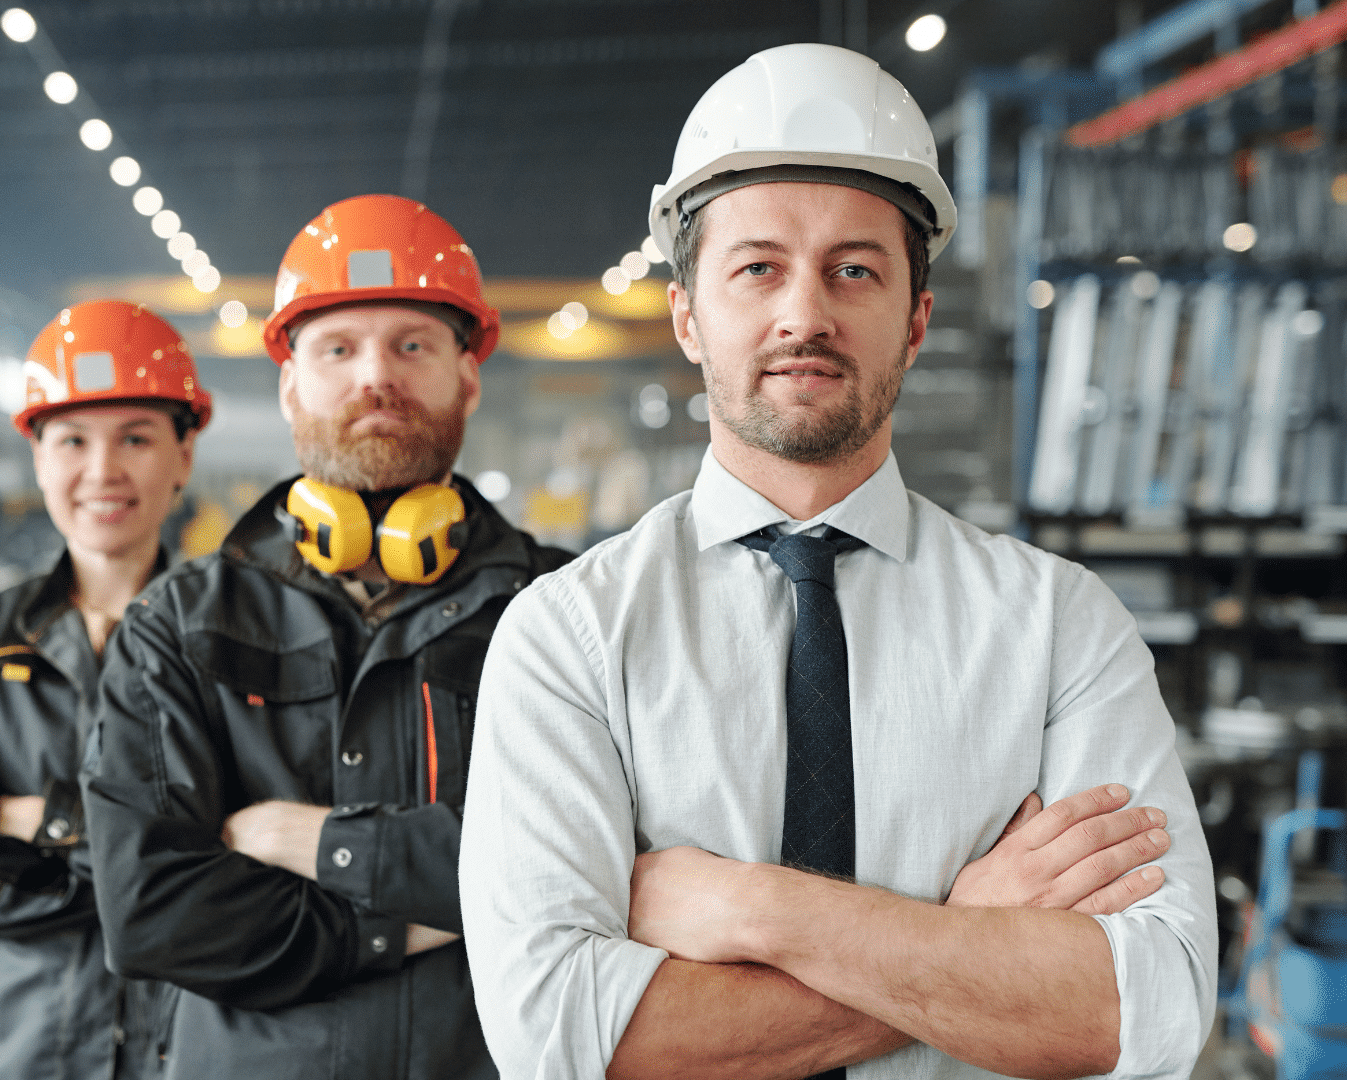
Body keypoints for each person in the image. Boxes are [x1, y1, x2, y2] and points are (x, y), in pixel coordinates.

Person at [459, 43, 1216, 1080]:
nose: (802, 315)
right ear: (687, 316)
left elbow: (1146, 1010)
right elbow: (557, 1037)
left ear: (913, 321)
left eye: (852, 269)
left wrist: (752, 909)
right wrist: (966, 935)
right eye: (756, 266)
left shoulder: (1057, 628)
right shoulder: (571, 637)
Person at [80, 194, 571, 1080]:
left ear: (468, 374)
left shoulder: (566, 608)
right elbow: (152, 910)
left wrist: (304, 841)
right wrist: (417, 918)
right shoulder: (181, 625)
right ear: (290, 384)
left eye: (412, 344)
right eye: (337, 349)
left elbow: (607, 863)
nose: (373, 376)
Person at [0, 300, 211, 1080]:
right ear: (38, 458)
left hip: (183, 1041)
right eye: (73, 440)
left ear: (184, 454)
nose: (102, 471)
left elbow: (250, 867)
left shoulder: (231, 644)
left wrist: (50, 821)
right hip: (8, 1043)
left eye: (135, 438)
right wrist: (150, 867)